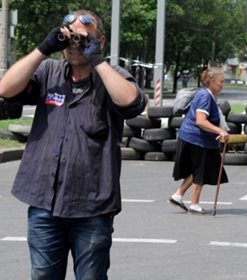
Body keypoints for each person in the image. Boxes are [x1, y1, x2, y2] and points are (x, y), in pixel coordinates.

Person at [0, 9, 147, 279]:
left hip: (92, 206)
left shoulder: (112, 76)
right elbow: (5, 89)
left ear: (100, 43)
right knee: (43, 276)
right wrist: (44, 48)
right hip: (45, 202)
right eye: (69, 39)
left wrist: (97, 61)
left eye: (83, 39)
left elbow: (131, 102)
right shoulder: (48, 71)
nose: (75, 46)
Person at [168, 67, 229, 215]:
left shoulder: (208, 95)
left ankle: (178, 195)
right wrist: (219, 130)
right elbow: (201, 121)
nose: (222, 85)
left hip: (195, 138)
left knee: (196, 170)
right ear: (211, 82)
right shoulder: (205, 97)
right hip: (197, 139)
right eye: (220, 82)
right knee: (200, 171)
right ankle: (194, 204)